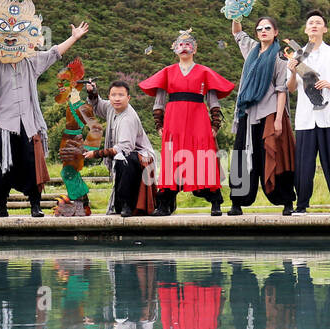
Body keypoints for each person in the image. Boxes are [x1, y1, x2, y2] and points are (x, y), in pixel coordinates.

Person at [0, 20, 90, 218]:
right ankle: (1, 206)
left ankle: (35, 206)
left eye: (14, 41)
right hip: (2, 124)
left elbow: (54, 53)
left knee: (32, 165)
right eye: (7, 41)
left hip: (28, 125)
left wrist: (73, 38)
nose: (11, 44)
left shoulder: (31, 61)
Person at [139, 29, 234, 217]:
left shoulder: (205, 72)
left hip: (199, 120)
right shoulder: (167, 72)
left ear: (195, 48)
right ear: (174, 48)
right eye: (180, 45)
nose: (184, 47)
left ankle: (215, 202)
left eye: (188, 44)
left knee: (203, 157)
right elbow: (159, 101)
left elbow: (213, 101)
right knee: (171, 158)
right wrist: (159, 124)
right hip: (173, 120)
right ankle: (165, 204)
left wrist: (215, 124)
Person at [285, 10, 330, 213]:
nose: (314, 25)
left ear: (325, 29)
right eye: (310, 23)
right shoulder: (297, 55)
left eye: (318, 23)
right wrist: (292, 71)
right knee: (304, 163)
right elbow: (290, 88)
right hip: (305, 118)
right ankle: (302, 204)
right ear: (306, 29)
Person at [229, 15, 294, 216]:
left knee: (274, 155)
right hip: (247, 112)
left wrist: (278, 119)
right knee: (241, 156)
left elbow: (282, 89)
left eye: (267, 28)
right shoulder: (251, 50)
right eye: (259, 29)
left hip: (270, 113)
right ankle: (237, 202)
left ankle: (286, 201)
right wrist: (235, 14)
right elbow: (237, 33)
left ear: (275, 32)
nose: (263, 31)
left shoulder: (280, 57)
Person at [82, 80, 155, 217]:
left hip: (141, 157)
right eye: (113, 95)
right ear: (109, 97)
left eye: (121, 95)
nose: (116, 98)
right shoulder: (111, 107)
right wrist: (92, 92)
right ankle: (120, 205)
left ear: (128, 98)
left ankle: (127, 205)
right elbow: (97, 105)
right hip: (126, 154)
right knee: (122, 159)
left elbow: (123, 148)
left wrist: (96, 154)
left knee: (124, 160)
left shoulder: (128, 118)